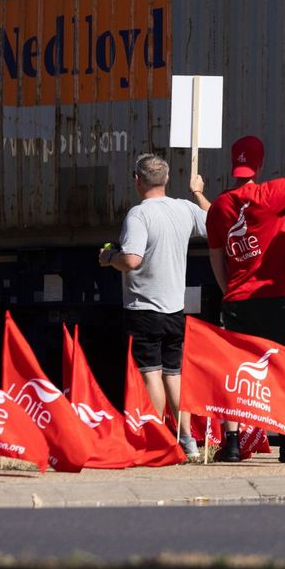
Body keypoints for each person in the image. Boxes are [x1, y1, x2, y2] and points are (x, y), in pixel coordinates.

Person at [205, 134, 285, 462]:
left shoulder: (219, 205)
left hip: (237, 299)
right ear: (260, 165)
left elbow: (216, 259)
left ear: (234, 164)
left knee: (234, 370)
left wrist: (230, 291)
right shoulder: (271, 194)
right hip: (273, 296)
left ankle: (232, 444)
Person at [100, 153, 209, 459]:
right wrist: (198, 193)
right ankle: (187, 440)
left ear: (137, 180)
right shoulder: (184, 208)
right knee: (174, 375)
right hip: (175, 307)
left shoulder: (139, 215)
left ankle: (157, 438)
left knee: (151, 374)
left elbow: (132, 260)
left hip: (144, 309)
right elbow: (218, 222)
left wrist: (109, 258)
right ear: (167, 179)